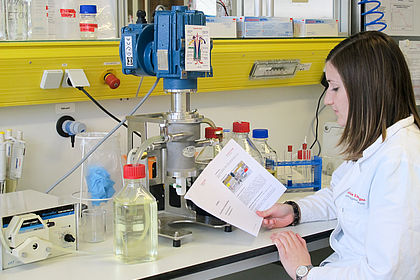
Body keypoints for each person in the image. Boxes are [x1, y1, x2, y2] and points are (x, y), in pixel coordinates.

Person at [257, 31, 420, 280]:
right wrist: (294, 210)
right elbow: (344, 195)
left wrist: (305, 272)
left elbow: (385, 274)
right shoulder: (378, 143)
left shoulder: (400, 159)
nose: (329, 100)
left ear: (366, 89)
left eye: (335, 88)